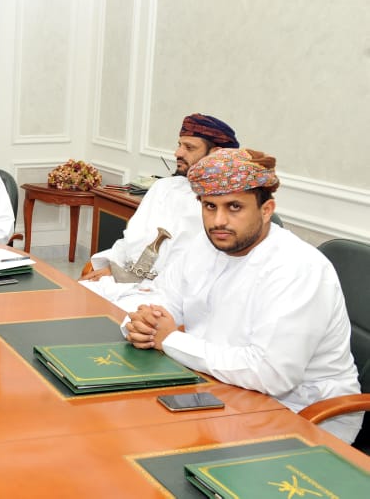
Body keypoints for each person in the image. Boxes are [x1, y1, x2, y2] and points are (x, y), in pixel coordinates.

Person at [122, 148, 363, 443]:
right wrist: (144, 323)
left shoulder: (297, 267)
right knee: (126, 428)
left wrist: (169, 339)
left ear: (267, 210)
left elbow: (271, 374)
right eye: (210, 206)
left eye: (234, 207)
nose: (218, 221)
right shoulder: (204, 245)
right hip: (220, 386)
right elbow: (160, 298)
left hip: (301, 413)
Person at [80, 113, 240, 307]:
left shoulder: (224, 206)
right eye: (179, 145)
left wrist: (137, 282)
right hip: (124, 282)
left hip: (166, 298)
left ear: (216, 154)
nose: (178, 153)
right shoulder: (164, 187)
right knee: (74, 298)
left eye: (189, 147)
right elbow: (130, 240)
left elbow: (203, 274)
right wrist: (114, 269)